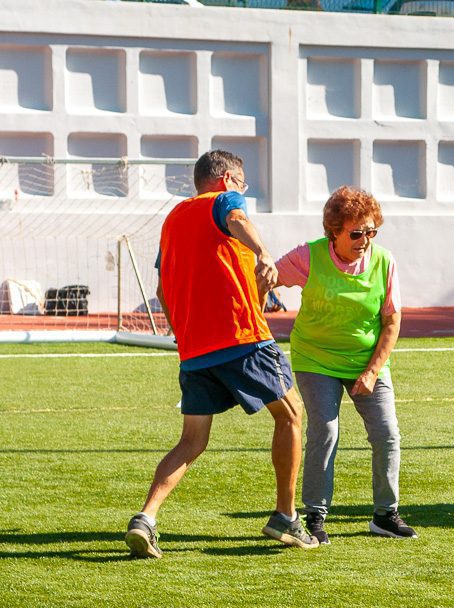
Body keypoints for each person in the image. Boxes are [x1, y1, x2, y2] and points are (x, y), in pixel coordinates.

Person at [124, 150, 318, 558]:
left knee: (191, 441)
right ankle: (286, 516)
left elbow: (162, 291)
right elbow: (237, 219)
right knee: (291, 414)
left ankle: (146, 518)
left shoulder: (173, 219)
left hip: (195, 351)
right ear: (228, 178)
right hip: (241, 337)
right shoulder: (223, 201)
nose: (242, 193)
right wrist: (264, 253)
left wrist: (184, 333)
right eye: (242, 185)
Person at [275, 185, 416, 541]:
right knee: (325, 430)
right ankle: (316, 517)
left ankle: (386, 515)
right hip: (315, 359)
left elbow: (392, 322)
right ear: (334, 231)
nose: (365, 239)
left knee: (387, 435)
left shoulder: (384, 261)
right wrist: (258, 309)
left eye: (371, 231)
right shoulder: (309, 256)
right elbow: (266, 278)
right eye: (356, 232)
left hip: (367, 362)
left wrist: (371, 372)